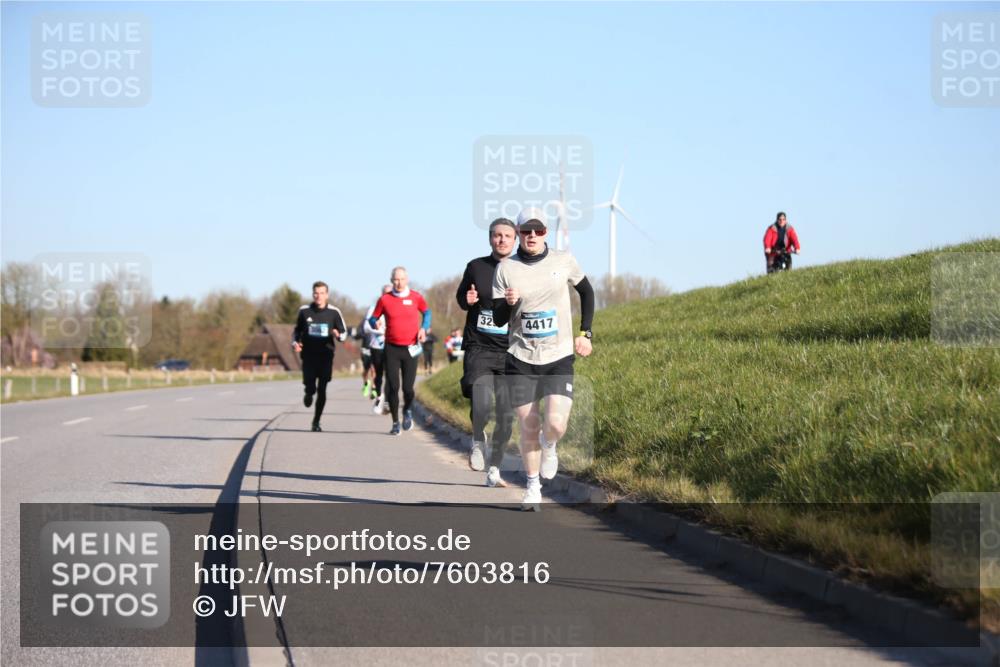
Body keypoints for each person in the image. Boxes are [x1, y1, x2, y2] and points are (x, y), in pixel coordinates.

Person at [492, 208, 594, 511]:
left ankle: (550, 446)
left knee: (555, 423)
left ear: (547, 232)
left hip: (558, 355)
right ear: (519, 233)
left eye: (538, 231)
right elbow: (498, 319)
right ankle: (533, 486)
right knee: (529, 424)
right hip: (521, 357)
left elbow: (587, 293)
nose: (532, 236)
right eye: (526, 231)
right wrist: (508, 304)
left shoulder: (563, 261)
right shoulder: (506, 269)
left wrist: (585, 333)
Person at [456, 217, 518, 487]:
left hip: (511, 350)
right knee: (481, 400)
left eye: (506, 235)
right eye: (496, 235)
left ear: (514, 239)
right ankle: (478, 440)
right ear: (490, 238)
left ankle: (494, 468)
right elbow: (461, 297)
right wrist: (466, 300)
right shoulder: (476, 267)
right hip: (479, 346)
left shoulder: (522, 269)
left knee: (506, 415)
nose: (501, 239)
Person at [370, 267, 432, 435]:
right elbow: (372, 318)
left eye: (402, 279)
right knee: (393, 386)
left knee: (408, 388)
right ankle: (395, 422)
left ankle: (407, 411)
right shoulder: (384, 300)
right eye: (396, 280)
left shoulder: (416, 297)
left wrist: (424, 328)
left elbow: (427, 313)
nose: (399, 283)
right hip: (391, 348)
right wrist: (374, 323)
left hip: (411, 348)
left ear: (407, 279)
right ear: (391, 280)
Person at [292, 281, 348, 432]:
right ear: (313, 294)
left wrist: (338, 335)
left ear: (327, 295)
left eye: (322, 293)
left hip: (326, 356)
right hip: (308, 356)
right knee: (311, 387)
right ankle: (308, 393)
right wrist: (295, 343)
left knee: (322, 389)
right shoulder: (304, 311)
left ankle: (316, 421)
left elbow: (344, 333)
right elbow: (297, 331)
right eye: (316, 293)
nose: (319, 296)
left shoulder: (334, 312)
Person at [365, 284, 393, 415]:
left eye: (390, 293)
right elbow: (366, 327)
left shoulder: (396, 306)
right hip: (377, 345)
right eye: (385, 293)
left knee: (391, 374)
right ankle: (379, 397)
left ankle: (387, 400)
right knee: (378, 374)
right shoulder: (373, 308)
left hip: (392, 345)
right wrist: (379, 329)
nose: (388, 296)